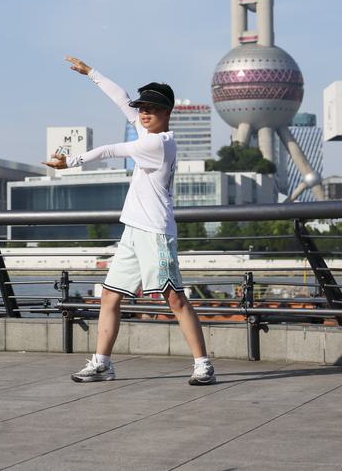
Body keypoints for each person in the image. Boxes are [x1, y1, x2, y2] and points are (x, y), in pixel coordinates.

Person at [44, 56, 216, 386]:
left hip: (155, 233)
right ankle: (102, 363)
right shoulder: (146, 131)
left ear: (167, 113)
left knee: (175, 298)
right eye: (142, 109)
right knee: (110, 296)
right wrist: (90, 73)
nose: (143, 113)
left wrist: (71, 162)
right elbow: (121, 98)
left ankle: (203, 364)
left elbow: (110, 150)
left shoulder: (158, 143)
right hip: (134, 231)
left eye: (151, 108)